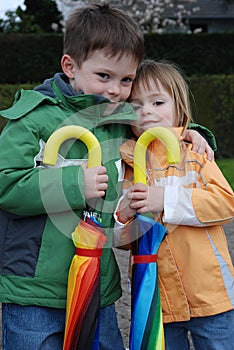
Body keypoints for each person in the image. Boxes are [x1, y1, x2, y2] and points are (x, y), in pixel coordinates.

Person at [0, 3, 215, 349]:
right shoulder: (33, 118)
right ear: (70, 67)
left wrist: (192, 134)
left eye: (126, 80)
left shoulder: (117, 119)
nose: (116, 90)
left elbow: (156, 129)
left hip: (98, 285)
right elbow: (5, 182)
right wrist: (73, 185)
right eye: (104, 76)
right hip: (35, 288)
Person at [115, 59, 234, 349]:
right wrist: (124, 215)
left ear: (178, 108)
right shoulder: (126, 166)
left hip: (210, 293)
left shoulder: (195, 153)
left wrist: (165, 199)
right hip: (157, 298)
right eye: (136, 105)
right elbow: (120, 240)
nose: (147, 112)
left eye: (157, 102)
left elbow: (224, 203)